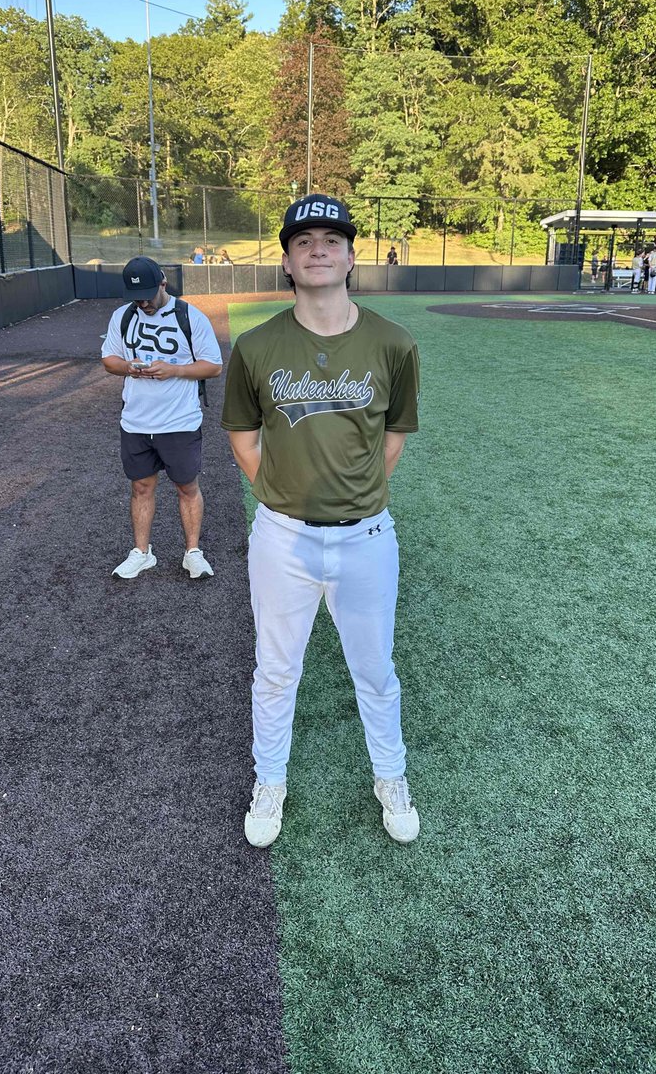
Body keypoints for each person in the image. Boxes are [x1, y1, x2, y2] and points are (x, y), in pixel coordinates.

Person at [221, 193, 421, 849]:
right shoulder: (256, 346)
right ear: (286, 259)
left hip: (366, 539)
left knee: (376, 673)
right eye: (303, 240)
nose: (318, 248)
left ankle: (390, 778)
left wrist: (353, 494)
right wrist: (282, 496)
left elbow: (392, 439)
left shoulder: (393, 343)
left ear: (351, 255)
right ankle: (270, 782)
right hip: (282, 540)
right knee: (276, 672)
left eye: (331, 239)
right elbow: (244, 440)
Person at [101, 256, 223, 580]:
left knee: (187, 487)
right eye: (136, 298)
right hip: (136, 421)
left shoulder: (189, 317)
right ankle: (142, 553)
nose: (143, 303)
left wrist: (175, 370)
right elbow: (109, 360)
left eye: (148, 296)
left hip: (179, 421)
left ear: (163, 285)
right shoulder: (123, 317)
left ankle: (193, 553)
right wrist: (130, 367)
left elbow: (213, 365)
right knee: (141, 487)